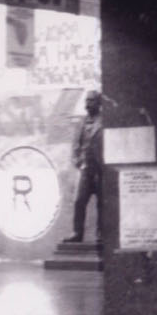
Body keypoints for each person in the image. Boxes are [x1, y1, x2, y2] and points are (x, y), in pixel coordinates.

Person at [63, 90, 103, 243]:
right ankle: (77, 233)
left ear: (98, 103)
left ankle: (101, 234)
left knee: (102, 203)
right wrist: (77, 161)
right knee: (79, 201)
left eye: (91, 101)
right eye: (86, 101)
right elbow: (75, 145)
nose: (87, 104)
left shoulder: (105, 121)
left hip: (100, 170)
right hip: (86, 169)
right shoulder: (81, 123)